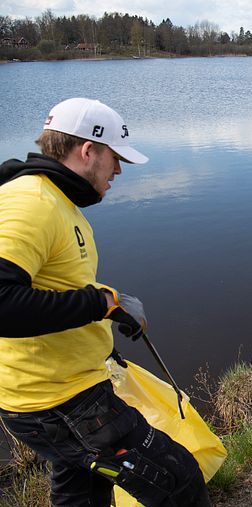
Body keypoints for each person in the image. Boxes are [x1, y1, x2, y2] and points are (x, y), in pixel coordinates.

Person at [0, 98, 210, 506]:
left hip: (66, 391)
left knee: (84, 494)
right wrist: (99, 303)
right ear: (88, 150)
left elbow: (57, 288)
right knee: (178, 478)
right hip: (58, 403)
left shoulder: (57, 202)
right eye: (115, 159)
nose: (118, 171)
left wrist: (111, 309)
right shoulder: (30, 204)